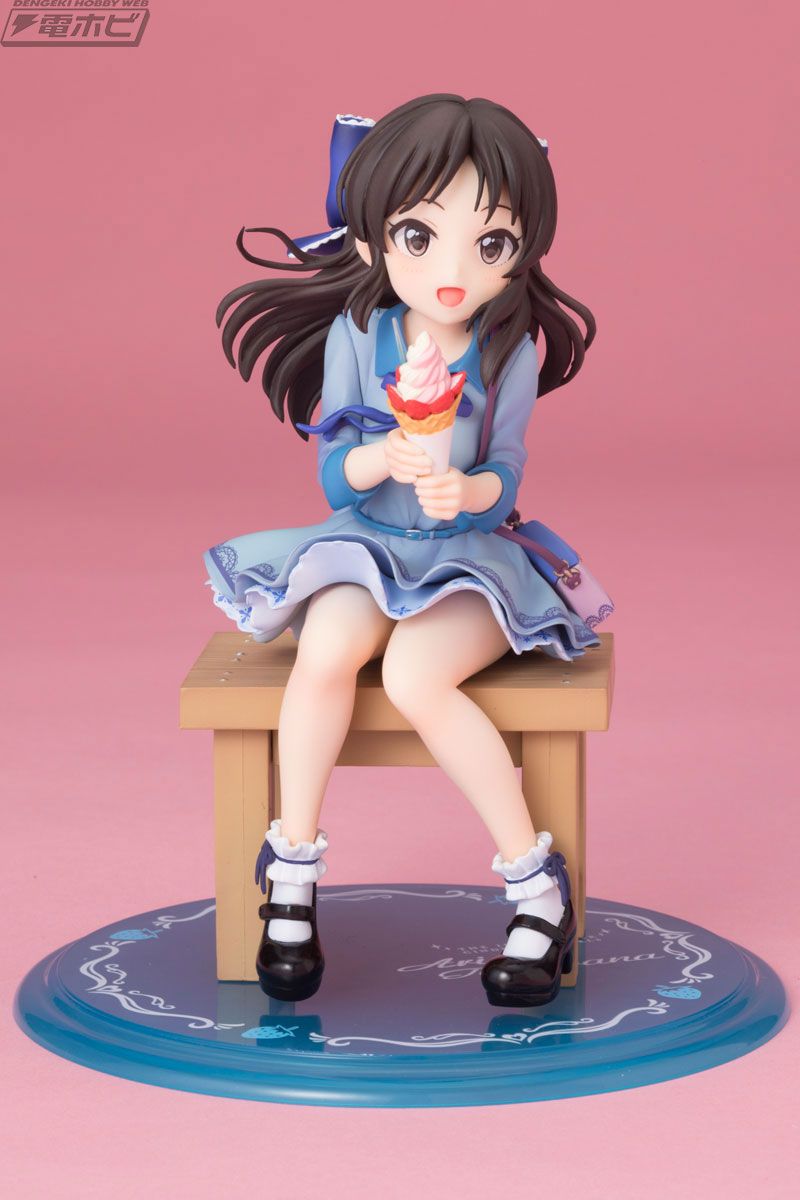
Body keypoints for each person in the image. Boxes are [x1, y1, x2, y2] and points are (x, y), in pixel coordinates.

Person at [205, 95, 605, 1007]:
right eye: (420, 238)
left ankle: (537, 889)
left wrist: (470, 492)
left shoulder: (509, 351)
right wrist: (381, 456)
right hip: (367, 544)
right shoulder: (361, 333)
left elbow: (508, 465)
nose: (454, 272)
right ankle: (292, 871)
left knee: (420, 676)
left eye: (491, 243)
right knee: (327, 649)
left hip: (468, 559)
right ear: (371, 238)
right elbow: (333, 479)